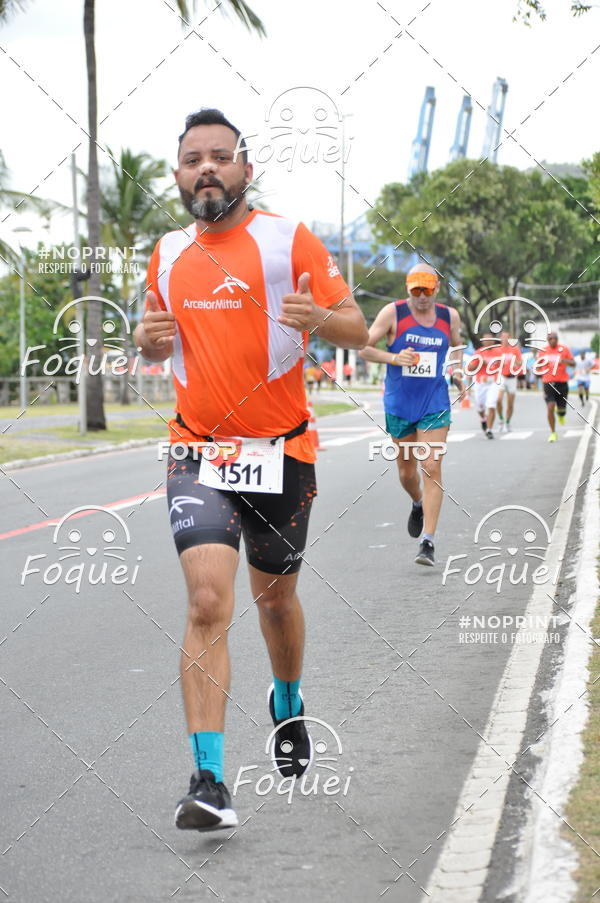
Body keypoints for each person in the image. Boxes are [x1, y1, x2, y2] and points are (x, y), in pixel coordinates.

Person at [134, 108, 368, 831]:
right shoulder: (166, 252)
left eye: (220, 157)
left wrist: (317, 321)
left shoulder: (285, 239)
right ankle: (208, 778)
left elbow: (356, 324)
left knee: (274, 602)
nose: (207, 169)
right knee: (209, 601)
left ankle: (287, 699)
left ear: (245, 169)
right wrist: (144, 339)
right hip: (197, 449)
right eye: (192, 159)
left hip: (281, 452)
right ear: (178, 176)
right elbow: (153, 344)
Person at [359, 264, 463, 566]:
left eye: (426, 290)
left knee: (431, 465)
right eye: (415, 290)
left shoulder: (449, 316)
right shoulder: (393, 313)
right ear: (408, 289)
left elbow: (456, 347)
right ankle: (417, 502)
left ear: (437, 289)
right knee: (407, 472)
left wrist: (456, 372)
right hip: (400, 404)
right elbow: (364, 348)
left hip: (434, 401)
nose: (421, 296)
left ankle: (428, 541)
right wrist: (393, 357)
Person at [535, 331, 575, 442]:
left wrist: (564, 360)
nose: (553, 340)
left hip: (562, 383)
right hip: (548, 383)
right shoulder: (543, 351)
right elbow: (537, 366)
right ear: (548, 340)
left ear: (557, 339)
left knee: (561, 410)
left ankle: (561, 414)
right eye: (550, 338)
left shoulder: (564, 349)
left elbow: (573, 363)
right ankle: (553, 433)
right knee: (550, 407)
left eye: (555, 338)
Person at [467, 333, 500, 439]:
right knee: (480, 407)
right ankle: (483, 419)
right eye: (486, 340)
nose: (488, 341)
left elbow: (503, 365)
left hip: (493, 382)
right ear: (483, 341)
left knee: (491, 405)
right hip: (480, 383)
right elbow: (470, 368)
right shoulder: (478, 353)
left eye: (490, 339)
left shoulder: (498, 352)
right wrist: (481, 362)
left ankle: (489, 430)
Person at [495, 331, 522, 432]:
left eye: (507, 337)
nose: (505, 339)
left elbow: (520, 363)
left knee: (510, 404)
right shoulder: (497, 350)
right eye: (503, 337)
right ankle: (501, 420)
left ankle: (508, 422)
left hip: (512, 378)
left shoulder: (515, 349)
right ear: (500, 339)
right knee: (498, 400)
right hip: (501, 377)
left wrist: (516, 362)